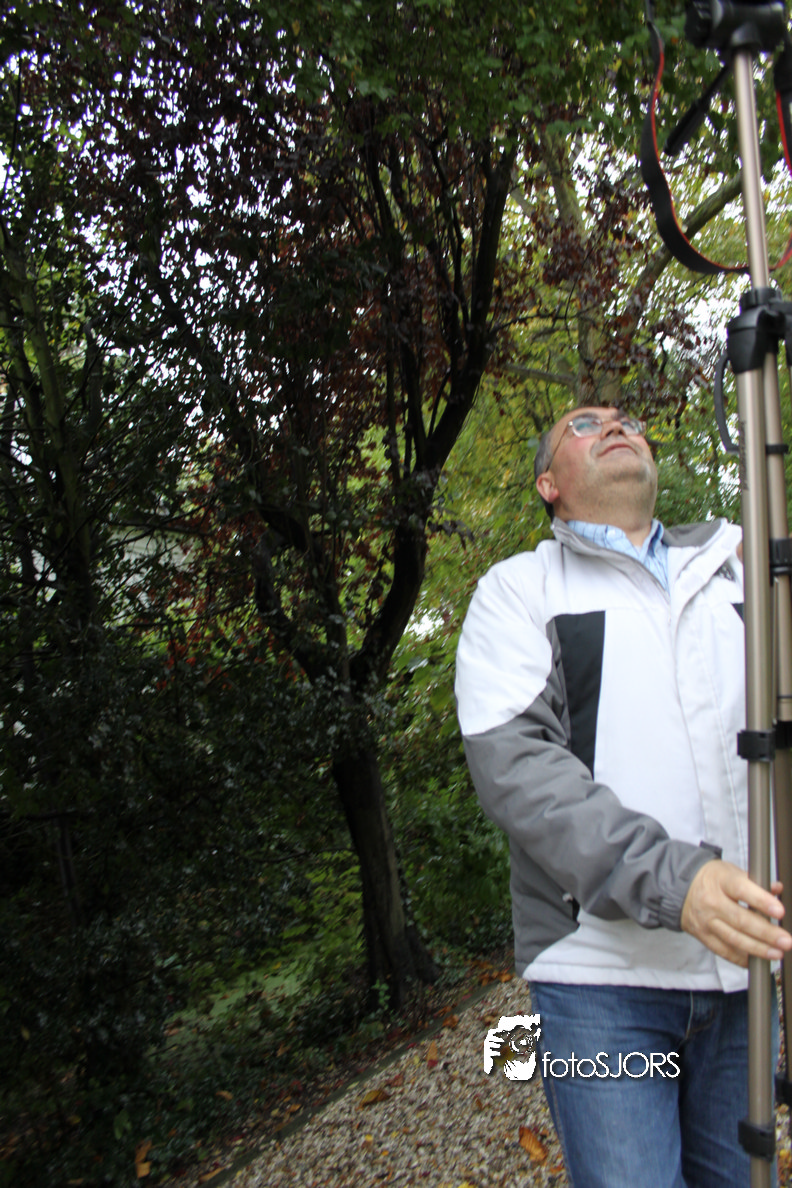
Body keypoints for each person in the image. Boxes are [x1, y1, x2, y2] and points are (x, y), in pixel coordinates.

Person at [454, 405, 792, 1187]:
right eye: (583, 424)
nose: (615, 426)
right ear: (548, 484)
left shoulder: (738, 569)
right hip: (598, 980)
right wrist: (676, 882)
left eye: (628, 419)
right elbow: (518, 770)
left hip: (743, 971)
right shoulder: (519, 591)